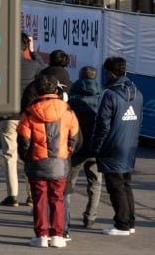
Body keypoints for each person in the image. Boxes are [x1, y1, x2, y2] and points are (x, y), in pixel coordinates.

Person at [18, 75, 80, 248]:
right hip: (59, 163)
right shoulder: (67, 110)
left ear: (37, 90)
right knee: (57, 199)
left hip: (37, 162)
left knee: (39, 200)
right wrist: (66, 152)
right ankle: (58, 236)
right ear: (56, 89)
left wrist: (27, 157)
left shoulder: (29, 112)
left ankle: (41, 236)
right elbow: (74, 136)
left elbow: (23, 141)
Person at [92, 57, 143, 236]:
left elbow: (102, 125)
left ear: (110, 73)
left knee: (115, 187)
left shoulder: (109, 94)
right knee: (126, 185)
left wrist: (96, 147)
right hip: (129, 146)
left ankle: (121, 224)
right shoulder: (137, 92)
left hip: (112, 147)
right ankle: (130, 222)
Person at [0, 32, 45, 207]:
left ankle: (12, 195)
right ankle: (31, 195)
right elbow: (43, 67)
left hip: (8, 115)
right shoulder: (33, 65)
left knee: (9, 154)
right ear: (26, 47)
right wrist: (33, 51)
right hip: (28, 116)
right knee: (29, 154)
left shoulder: (2, 65)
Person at [64, 66, 104, 238]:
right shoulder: (103, 96)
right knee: (95, 183)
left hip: (76, 149)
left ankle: (65, 218)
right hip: (95, 149)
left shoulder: (71, 98)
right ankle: (90, 217)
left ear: (79, 78)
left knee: (68, 184)